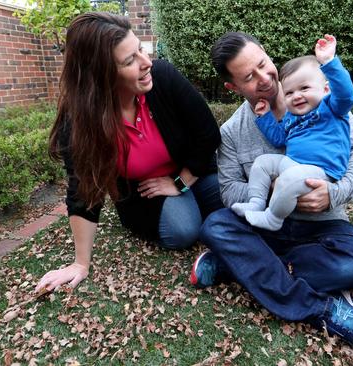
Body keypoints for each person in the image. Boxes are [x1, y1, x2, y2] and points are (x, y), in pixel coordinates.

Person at [190, 32, 353, 366]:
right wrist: (279, 193)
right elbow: (228, 190)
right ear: (233, 88)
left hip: (323, 229)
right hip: (267, 229)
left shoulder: (314, 94)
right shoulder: (232, 133)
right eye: (249, 77)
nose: (265, 78)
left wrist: (333, 193)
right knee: (215, 226)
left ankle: (239, 264)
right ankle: (327, 310)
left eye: (264, 65)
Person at [35, 13, 223, 293]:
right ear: (101, 76)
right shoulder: (80, 124)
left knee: (232, 198)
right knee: (184, 230)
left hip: (190, 170)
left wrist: (180, 183)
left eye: (140, 50)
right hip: (146, 193)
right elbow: (83, 190)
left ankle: (197, 202)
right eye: (129, 61)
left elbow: (207, 133)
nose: (146, 63)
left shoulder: (163, 77)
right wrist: (80, 263)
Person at [231, 34, 353, 231]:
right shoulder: (291, 116)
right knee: (263, 163)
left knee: (288, 179)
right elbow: (279, 138)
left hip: (321, 170)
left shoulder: (331, 107)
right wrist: (264, 117)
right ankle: (255, 202)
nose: (296, 96)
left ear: (325, 89)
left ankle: (273, 218)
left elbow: (347, 95)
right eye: (289, 93)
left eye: (304, 88)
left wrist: (329, 63)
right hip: (293, 163)